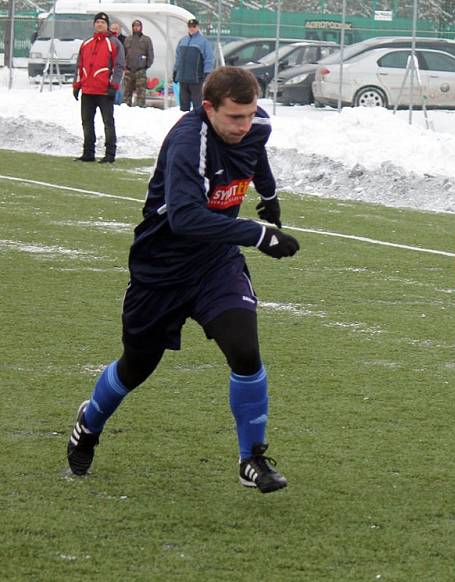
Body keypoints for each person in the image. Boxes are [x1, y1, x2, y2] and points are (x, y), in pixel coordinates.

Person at [66, 66, 300, 494]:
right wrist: (259, 233)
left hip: (215, 264)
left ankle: (253, 457)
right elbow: (187, 217)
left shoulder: (255, 125)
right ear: (208, 108)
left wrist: (268, 196)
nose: (244, 126)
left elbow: (256, 152)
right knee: (136, 367)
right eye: (234, 118)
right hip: (162, 269)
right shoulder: (188, 142)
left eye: (249, 115)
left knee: (245, 351)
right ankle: (89, 421)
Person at [72, 12, 125, 164]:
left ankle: (110, 154)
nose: (99, 24)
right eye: (97, 22)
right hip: (88, 91)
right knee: (87, 122)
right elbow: (79, 66)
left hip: (104, 91)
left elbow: (119, 66)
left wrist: (113, 86)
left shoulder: (114, 43)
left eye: (102, 22)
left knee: (108, 123)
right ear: (94, 24)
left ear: (107, 25)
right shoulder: (86, 43)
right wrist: (77, 86)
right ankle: (88, 153)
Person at [174, 18, 214, 112]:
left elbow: (209, 58)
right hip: (183, 78)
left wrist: (207, 72)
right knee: (183, 106)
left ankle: (197, 122)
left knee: (197, 105)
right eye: (190, 26)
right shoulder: (182, 40)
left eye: (194, 26)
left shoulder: (203, 42)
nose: (192, 28)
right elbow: (178, 57)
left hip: (196, 78)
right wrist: (175, 71)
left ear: (197, 27)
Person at [123, 19, 154, 108]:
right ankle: (125, 109)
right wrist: (125, 66)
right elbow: (124, 54)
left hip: (140, 70)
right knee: (127, 93)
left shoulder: (146, 40)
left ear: (141, 27)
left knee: (141, 93)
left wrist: (146, 66)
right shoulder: (128, 39)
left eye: (138, 26)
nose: (136, 28)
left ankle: (140, 109)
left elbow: (150, 54)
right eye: (134, 26)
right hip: (129, 70)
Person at [110, 22, 127, 105]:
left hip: (120, 66)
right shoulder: (108, 39)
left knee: (119, 85)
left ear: (120, 30)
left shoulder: (124, 40)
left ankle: (118, 102)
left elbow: (128, 53)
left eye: (116, 29)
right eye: (112, 29)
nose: (114, 31)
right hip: (109, 67)